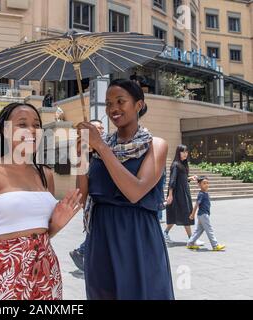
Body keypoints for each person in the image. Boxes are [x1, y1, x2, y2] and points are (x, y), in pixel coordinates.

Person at [0, 102, 82, 300]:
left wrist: (56, 224)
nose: (32, 130)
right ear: (5, 130)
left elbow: (43, 233)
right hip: (6, 271)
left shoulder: (45, 174)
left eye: (37, 125)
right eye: (23, 124)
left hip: (46, 270)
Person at [77, 79, 174, 300]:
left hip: (138, 236)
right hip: (101, 236)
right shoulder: (100, 146)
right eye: (108, 103)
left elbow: (135, 191)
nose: (113, 109)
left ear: (138, 105)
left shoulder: (155, 145)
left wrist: (100, 147)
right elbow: (81, 198)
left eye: (120, 101)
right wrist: (80, 156)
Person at [69, 119, 105, 272]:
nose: (101, 130)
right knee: (95, 231)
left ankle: (83, 252)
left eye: (102, 128)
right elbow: (82, 192)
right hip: (93, 202)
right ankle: (82, 252)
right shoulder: (84, 151)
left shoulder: (110, 148)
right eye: (97, 128)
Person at [164, 145, 200, 244]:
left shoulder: (182, 164)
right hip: (177, 194)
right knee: (185, 214)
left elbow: (182, 178)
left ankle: (165, 233)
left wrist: (190, 178)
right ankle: (191, 238)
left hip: (183, 193)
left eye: (186, 152)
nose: (185, 154)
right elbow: (172, 180)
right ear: (178, 152)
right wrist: (170, 195)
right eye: (183, 152)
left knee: (177, 215)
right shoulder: (175, 165)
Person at [187, 176, 226, 251]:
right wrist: (192, 214)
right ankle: (215, 245)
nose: (206, 185)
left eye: (207, 183)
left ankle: (190, 243)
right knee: (209, 230)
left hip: (203, 215)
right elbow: (196, 205)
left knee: (198, 230)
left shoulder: (205, 193)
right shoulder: (201, 194)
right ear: (199, 185)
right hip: (203, 215)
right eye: (204, 183)